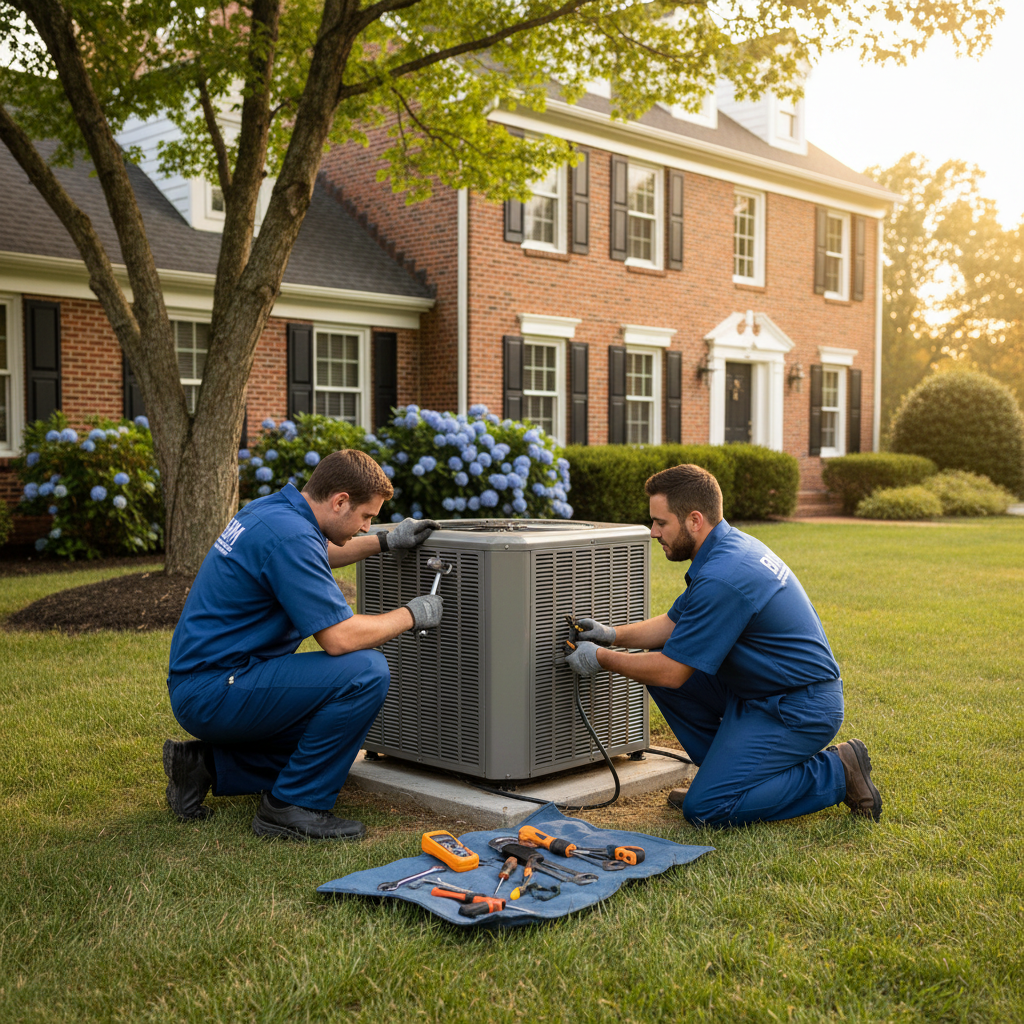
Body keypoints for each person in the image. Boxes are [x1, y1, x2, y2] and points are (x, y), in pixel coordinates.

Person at [564, 463, 881, 828]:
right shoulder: (728, 548)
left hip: (798, 708)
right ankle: (726, 776)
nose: (653, 532)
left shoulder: (724, 577)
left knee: (706, 808)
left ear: (694, 520)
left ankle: (837, 772)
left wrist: (600, 658)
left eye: (661, 523)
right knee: (655, 668)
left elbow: (672, 672)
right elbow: (672, 624)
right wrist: (612, 634)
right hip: (762, 691)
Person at [163, 449, 441, 839]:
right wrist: (413, 614)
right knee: (364, 673)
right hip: (216, 690)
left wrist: (385, 541)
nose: (365, 527)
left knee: (329, 740)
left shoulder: (274, 512)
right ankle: (292, 806)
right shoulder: (291, 535)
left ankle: (205, 766)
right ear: (340, 500)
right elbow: (340, 639)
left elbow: (316, 552)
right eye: (366, 517)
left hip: (206, 681)